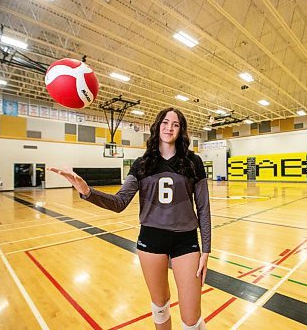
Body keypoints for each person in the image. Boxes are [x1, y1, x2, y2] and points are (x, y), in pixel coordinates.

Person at [48, 107, 211, 330]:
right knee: (160, 306)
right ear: (157, 127)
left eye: (175, 124)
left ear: (181, 130)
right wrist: (86, 191)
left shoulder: (194, 162)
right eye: (165, 122)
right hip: (151, 240)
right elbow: (119, 202)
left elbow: (203, 208)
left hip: (186, 241)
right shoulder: (142, 164)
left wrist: (207, 250)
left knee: (192, 319)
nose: (169, 128)